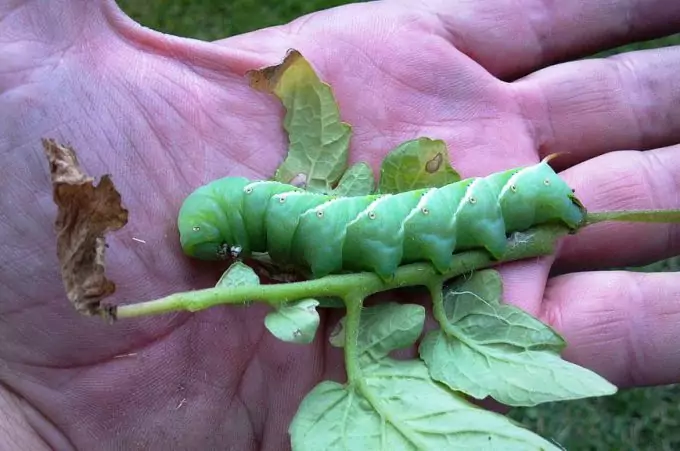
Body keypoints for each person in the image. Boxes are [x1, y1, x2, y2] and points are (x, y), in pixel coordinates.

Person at [1, 0, 679, 449]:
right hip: (462, 212)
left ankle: (533, 198)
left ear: (243, 228)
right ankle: (533, 199)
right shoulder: (287, 221)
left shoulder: (303, 227)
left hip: (476, 207)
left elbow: (358, 236)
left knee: (417, 223)